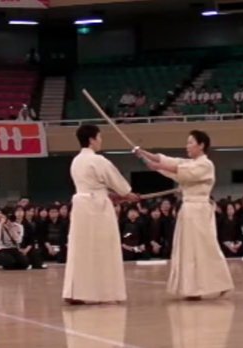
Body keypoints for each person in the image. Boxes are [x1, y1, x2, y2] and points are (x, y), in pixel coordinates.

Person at [134, 130, 234, 300]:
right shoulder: (191, 163)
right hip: (189, 209)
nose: (187, 146)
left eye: (190, 142)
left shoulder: (205, 164)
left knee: (204, 247)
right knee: (188, 249)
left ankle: (218, 283)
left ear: (201, 145)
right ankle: (191, 288)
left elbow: (180, 169)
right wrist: (143, 153)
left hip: (199, 209)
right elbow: (171, 161)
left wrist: (157, 166)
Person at [63, 124, 140, 305]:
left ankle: (75, 292)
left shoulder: (76, 161)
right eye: (99, 137)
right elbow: (121, 186)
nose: (100, 140)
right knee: (102, 248)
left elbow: (94, 187)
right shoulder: (98, 161)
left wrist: (116, 196)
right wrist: (130, 196)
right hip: (97, 208)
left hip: (82, 206)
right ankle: (103, 292)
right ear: (91, 139)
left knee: (81, 249)